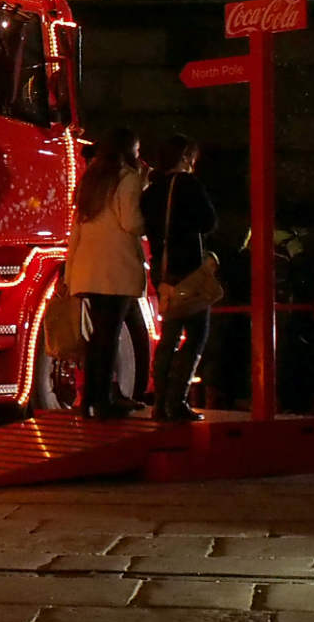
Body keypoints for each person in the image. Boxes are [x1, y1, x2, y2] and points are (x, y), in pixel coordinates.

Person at [65, 127, 149, 419]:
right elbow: (132, 223)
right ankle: (103, 401)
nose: (139, 155)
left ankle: (91, 397)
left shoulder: (91, 180)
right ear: (128, 151)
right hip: (117, 270)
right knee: (109, 336)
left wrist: (70, 274)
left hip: (89, 270)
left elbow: (76, 230)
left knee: (99, 337)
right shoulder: (127, 180)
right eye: (137, 150)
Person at [139, 134, 218, 422]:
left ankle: (160, 401)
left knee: (170, 334)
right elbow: (208, 221)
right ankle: (178, 399)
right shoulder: (188, 184)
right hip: (188, 269)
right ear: (186, 156)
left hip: (162, 268)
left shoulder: (151, 190)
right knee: (197, 333)